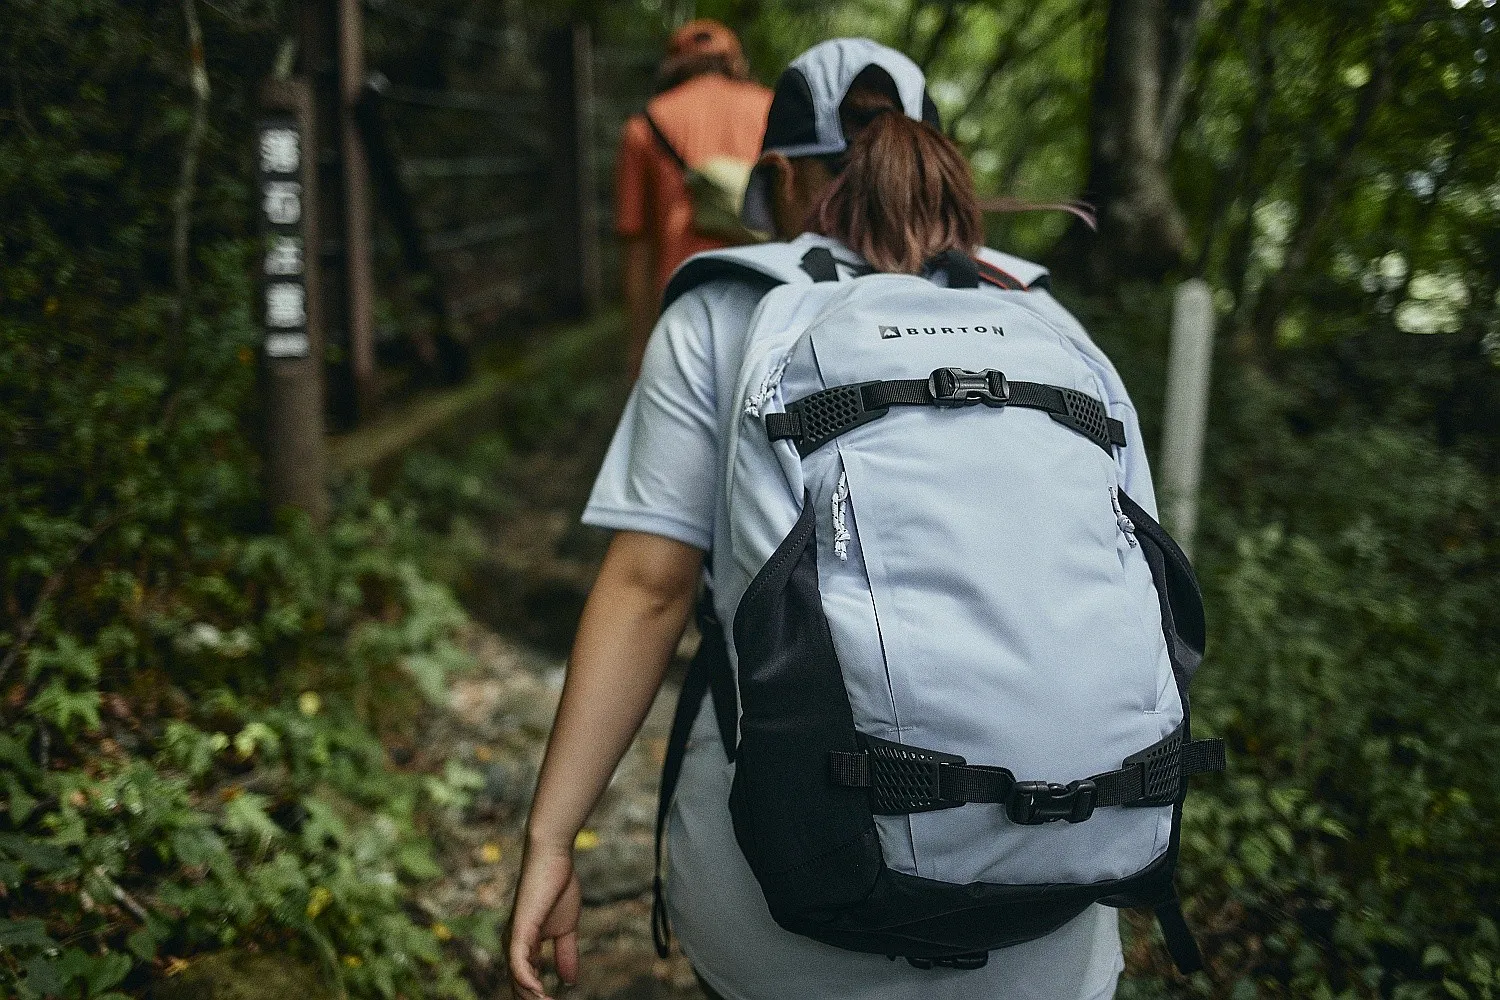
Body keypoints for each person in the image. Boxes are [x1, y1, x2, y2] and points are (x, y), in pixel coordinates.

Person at [510, 38, 1160, 1000]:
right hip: (1048, 920)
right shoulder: (1050, 324)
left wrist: (550, 838)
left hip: (778, 912)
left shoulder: (728, 309)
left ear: (776, 176)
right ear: (933, 156)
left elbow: (649, 591)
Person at [614, 19, 773, 380]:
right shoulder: (775, 109)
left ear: (673, 64)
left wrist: (638, 346)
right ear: (735, 60)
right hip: (769, 294)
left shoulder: (644, 126)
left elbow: (635, 242)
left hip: (685, 306)